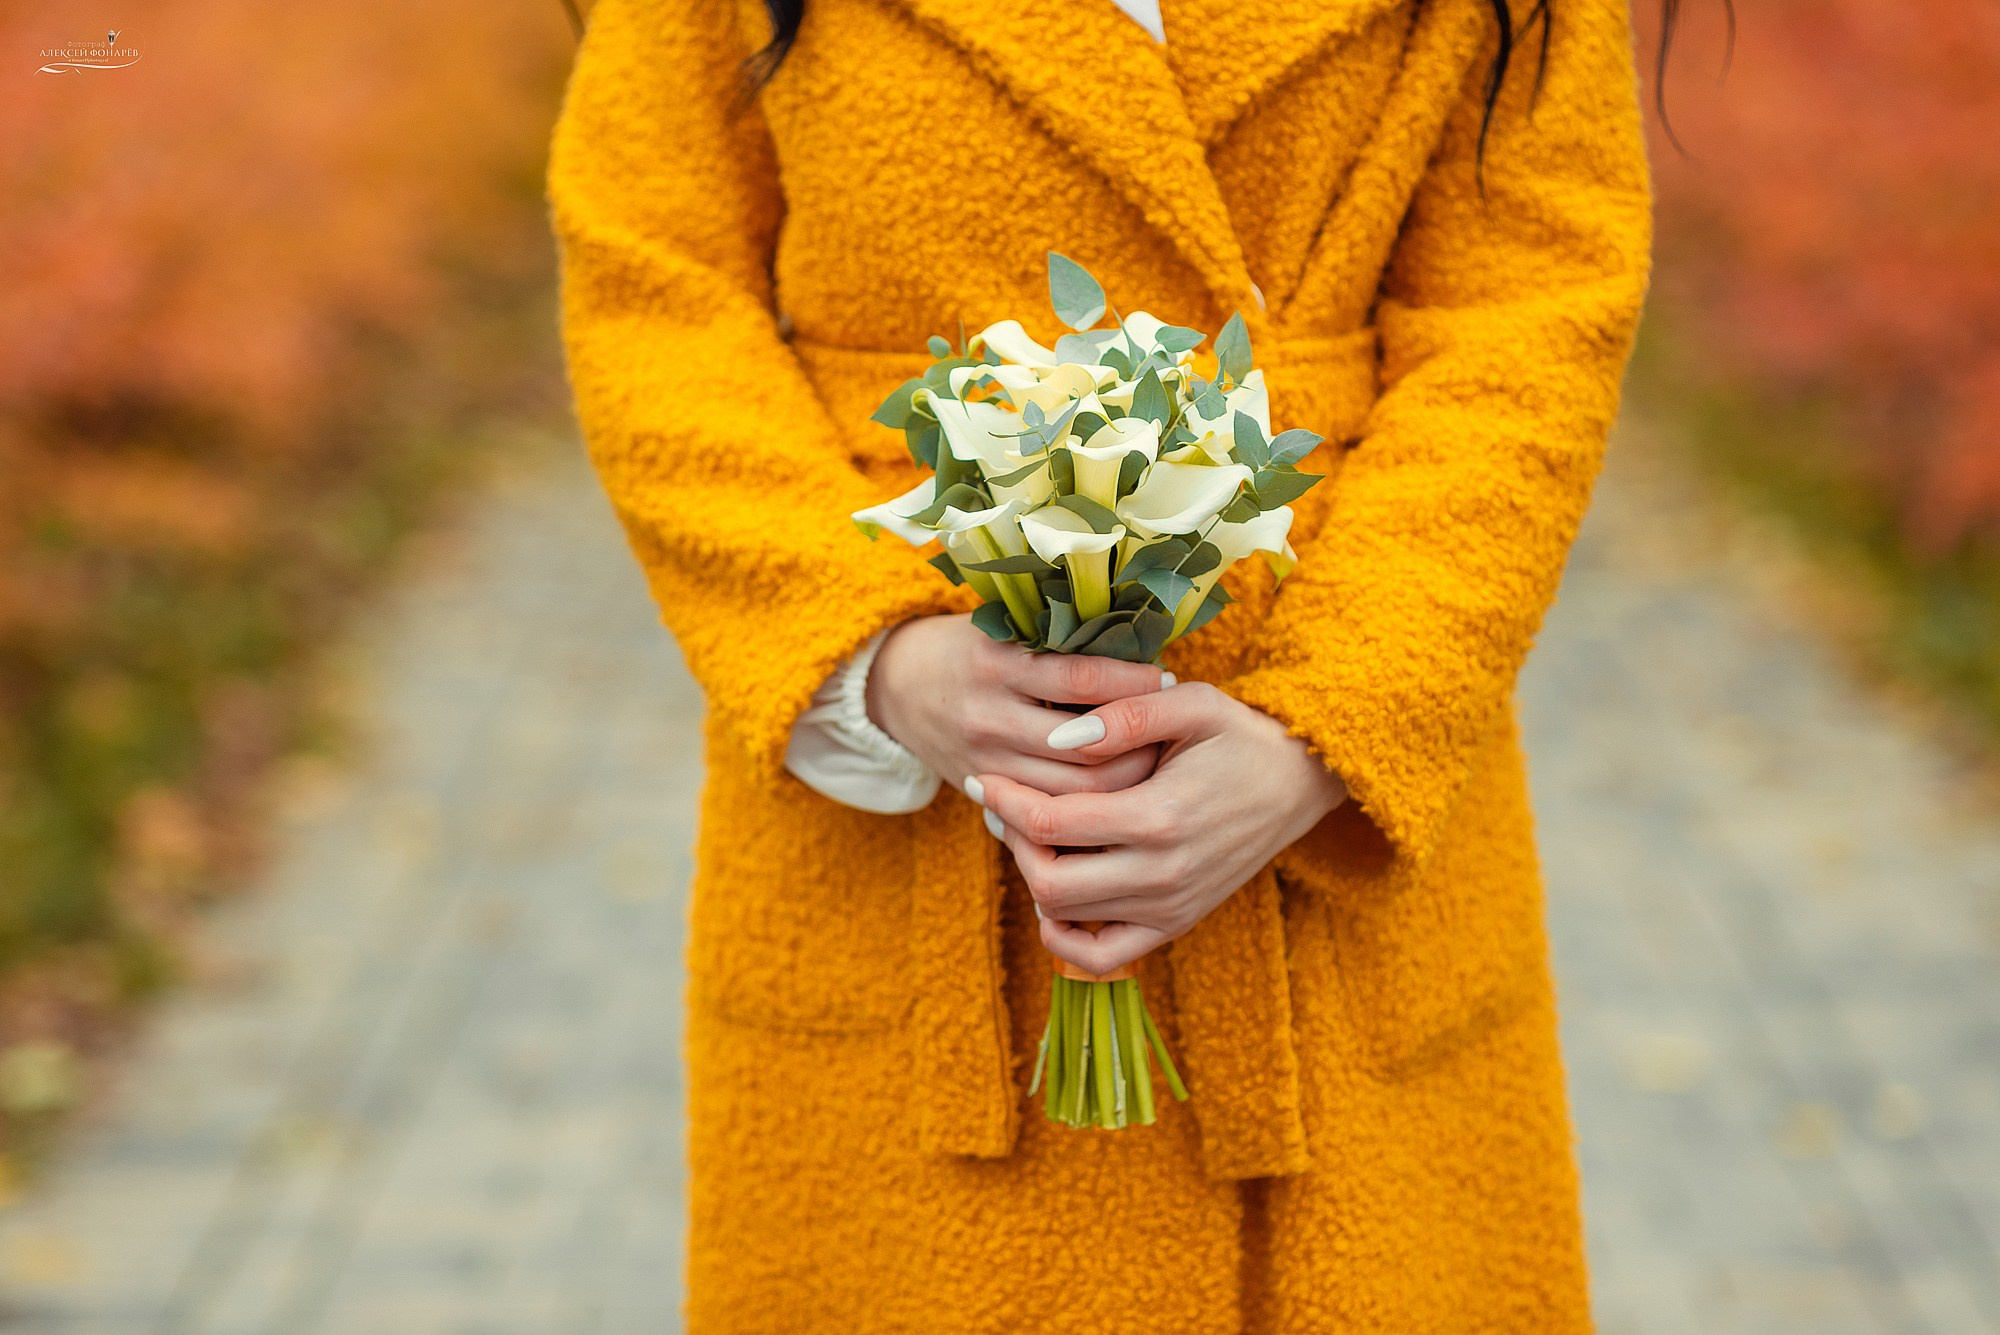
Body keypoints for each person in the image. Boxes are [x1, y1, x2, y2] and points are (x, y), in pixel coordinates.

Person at [547, 0, 1653, 1324]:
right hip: (904, 832)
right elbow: (653, 289)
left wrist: (1328, 732)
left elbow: (1526, 315)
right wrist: (879, 663)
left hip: (1330, 782)